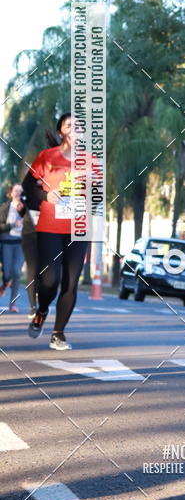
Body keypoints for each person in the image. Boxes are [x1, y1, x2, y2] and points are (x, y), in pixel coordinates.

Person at [21, 113, 89, 350]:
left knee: (70, 284)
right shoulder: (46, 157)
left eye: (79, 126)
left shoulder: (91, 161)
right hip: (50, 226)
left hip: (78, 228)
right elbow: (28, 187)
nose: (74, 129)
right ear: (61, 131)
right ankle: (41, 310)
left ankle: (58, 333)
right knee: (50, 281)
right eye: (69, 125)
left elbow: (98, 197)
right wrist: (46, 195)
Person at [0, 184, 26, 313]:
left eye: (20, 191)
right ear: (10, 193)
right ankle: (4, 284)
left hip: (20, 244)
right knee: (7, 273)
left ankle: (13, 303)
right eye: (16, 191)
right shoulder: (4, 208)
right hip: (6, 243)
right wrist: (12, 225)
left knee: (16, 272)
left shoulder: (27, 208)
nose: (18, 193)